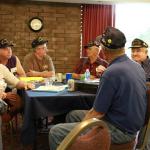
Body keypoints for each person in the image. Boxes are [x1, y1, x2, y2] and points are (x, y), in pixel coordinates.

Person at [48, 27, 147, 150]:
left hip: (120, 131)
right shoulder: (137, 67)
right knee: (73, 115)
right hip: (132, 127)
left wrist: (80, 130)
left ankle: (83, 142)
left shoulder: (111, 72)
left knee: (55, 131)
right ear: (123, 47)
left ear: (104, 50)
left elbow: (97, 112)